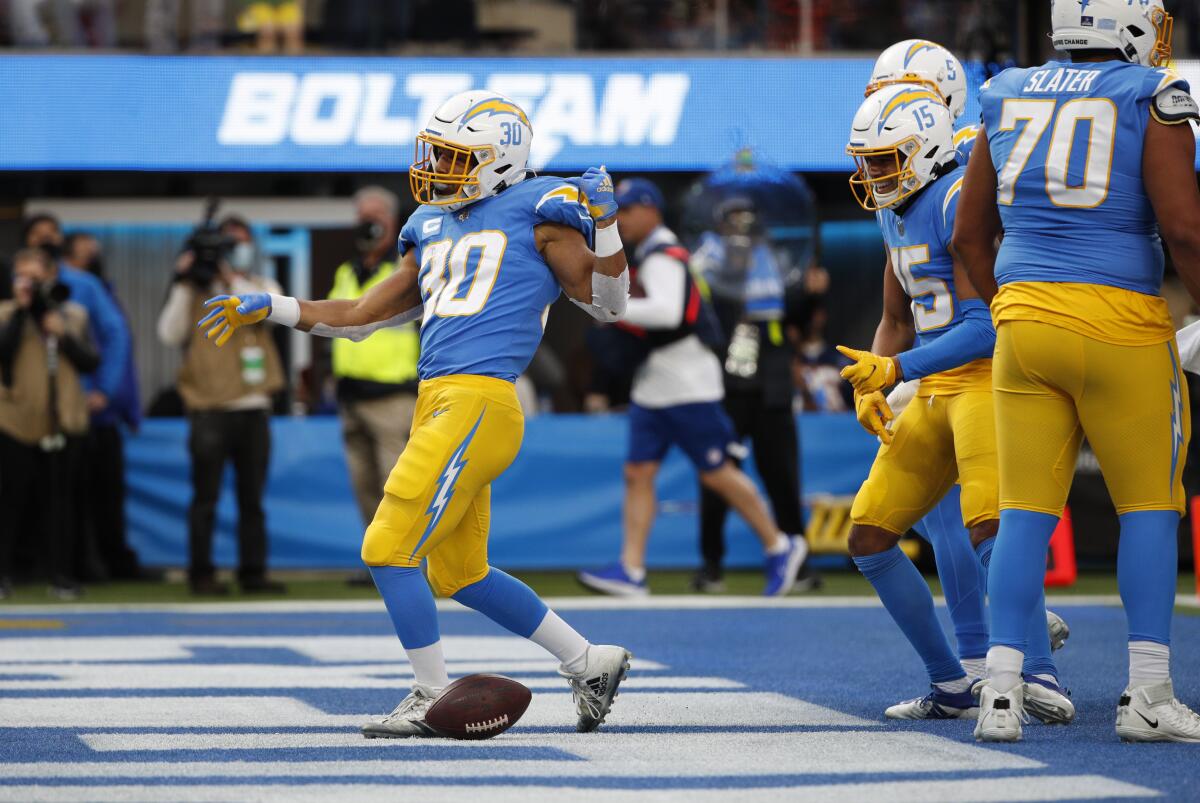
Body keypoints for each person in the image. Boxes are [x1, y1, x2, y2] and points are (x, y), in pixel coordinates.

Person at [197, 90, 633, 737]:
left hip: (480, 398)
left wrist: (608, 225)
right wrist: (276, 305)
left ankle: (429, 691)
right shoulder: (428, 225)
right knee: (459, 572)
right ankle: (587, 659)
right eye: (436, 153)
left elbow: (607, 303)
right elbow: (358, 315)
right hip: (439, 401)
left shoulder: (541, 208)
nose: (436, 167)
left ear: (501, 160)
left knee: (386, 544)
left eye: (455, 156)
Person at [953, 0, 1200, 743]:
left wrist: (1013, 312)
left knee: (1025, 511)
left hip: (1024, 318)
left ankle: (1000, 691)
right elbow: (1185, 227)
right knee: (1151, 508)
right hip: (1120, 320)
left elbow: (970, 237)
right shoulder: (1148, 97)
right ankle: (1149, 692)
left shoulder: (1005, 90)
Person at [839, 82, 1071, 724]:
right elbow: (898, 314)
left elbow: (984, 324)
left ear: (925, 149)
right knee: (868, 536)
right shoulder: (894, 209)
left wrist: (897, 367)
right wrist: (876, 383)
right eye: (865, 160)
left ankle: (1040, 673)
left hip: (986, 381)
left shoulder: (953, 199)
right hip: (935, 390)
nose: (871, 173)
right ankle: (949, 683)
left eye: (884, 159)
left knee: (990, 530)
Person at [577, 178, 808, 597]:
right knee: (638, 472)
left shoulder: (664, 254)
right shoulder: (651, 252)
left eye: (627, 210)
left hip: (686, 383)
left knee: (717, 472)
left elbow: (666, 313)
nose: (620, 219)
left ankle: (779, 544)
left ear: (651, 210)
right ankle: (631, 569)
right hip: (656, 383)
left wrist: (610, 307)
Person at [157, 217, 286, 596]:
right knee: (205, 499)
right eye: (227, 245)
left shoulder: (260, 287)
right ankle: (201, 573)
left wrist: (228, 275)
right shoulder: (193, 291)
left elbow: (269, 312)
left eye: (238, 244)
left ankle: (253, 573)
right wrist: (183, 280)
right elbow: (168, 333)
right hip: (209, 409)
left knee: (253, 500)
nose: (231, 251)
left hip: (254, 407)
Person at [690, 196, 808, 592]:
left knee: (783, 474)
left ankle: (798, 561)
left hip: (772, 372)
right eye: (734, 219)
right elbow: (706, 299)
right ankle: (711, 566)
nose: (742, 227)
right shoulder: (709, 251)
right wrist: (732, 265)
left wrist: (812, 293)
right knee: (718, 470)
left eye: (749, 219)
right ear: (720, 223)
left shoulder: (775, 255)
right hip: (729, 372)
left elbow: (793, 309)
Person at [328, 187, 420, 585]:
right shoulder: (347, 271)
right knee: (365, 486)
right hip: (351, 395)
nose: (367, 224)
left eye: (375, 216)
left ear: (391, 221)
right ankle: (381, 562)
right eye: (361, 216)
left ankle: (411, 562)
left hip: (393, 396)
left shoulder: (407, 270)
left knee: (397, 487)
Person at [0, 249, 98, 600]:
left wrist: (60, 332)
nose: (31, 284)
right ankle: (4, 574)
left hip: (63, 420)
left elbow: (90, 362)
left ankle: (62, 574)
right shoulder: (5, 313)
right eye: (23, 277)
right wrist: (23, 310)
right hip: (14, 420)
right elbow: (4, 353)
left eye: (37, 278)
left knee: (61, 502)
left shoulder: (73, 314)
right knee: (9, 501)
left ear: (52, 276)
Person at [63, 233, 151, 582]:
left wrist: (110, 393)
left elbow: (117, 339)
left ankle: (100, 564)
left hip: (94, 407)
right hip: (53, 406)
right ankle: (70, 565)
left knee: (101, 492)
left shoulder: (88, 287)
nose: (93, 260)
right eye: (87, 254)